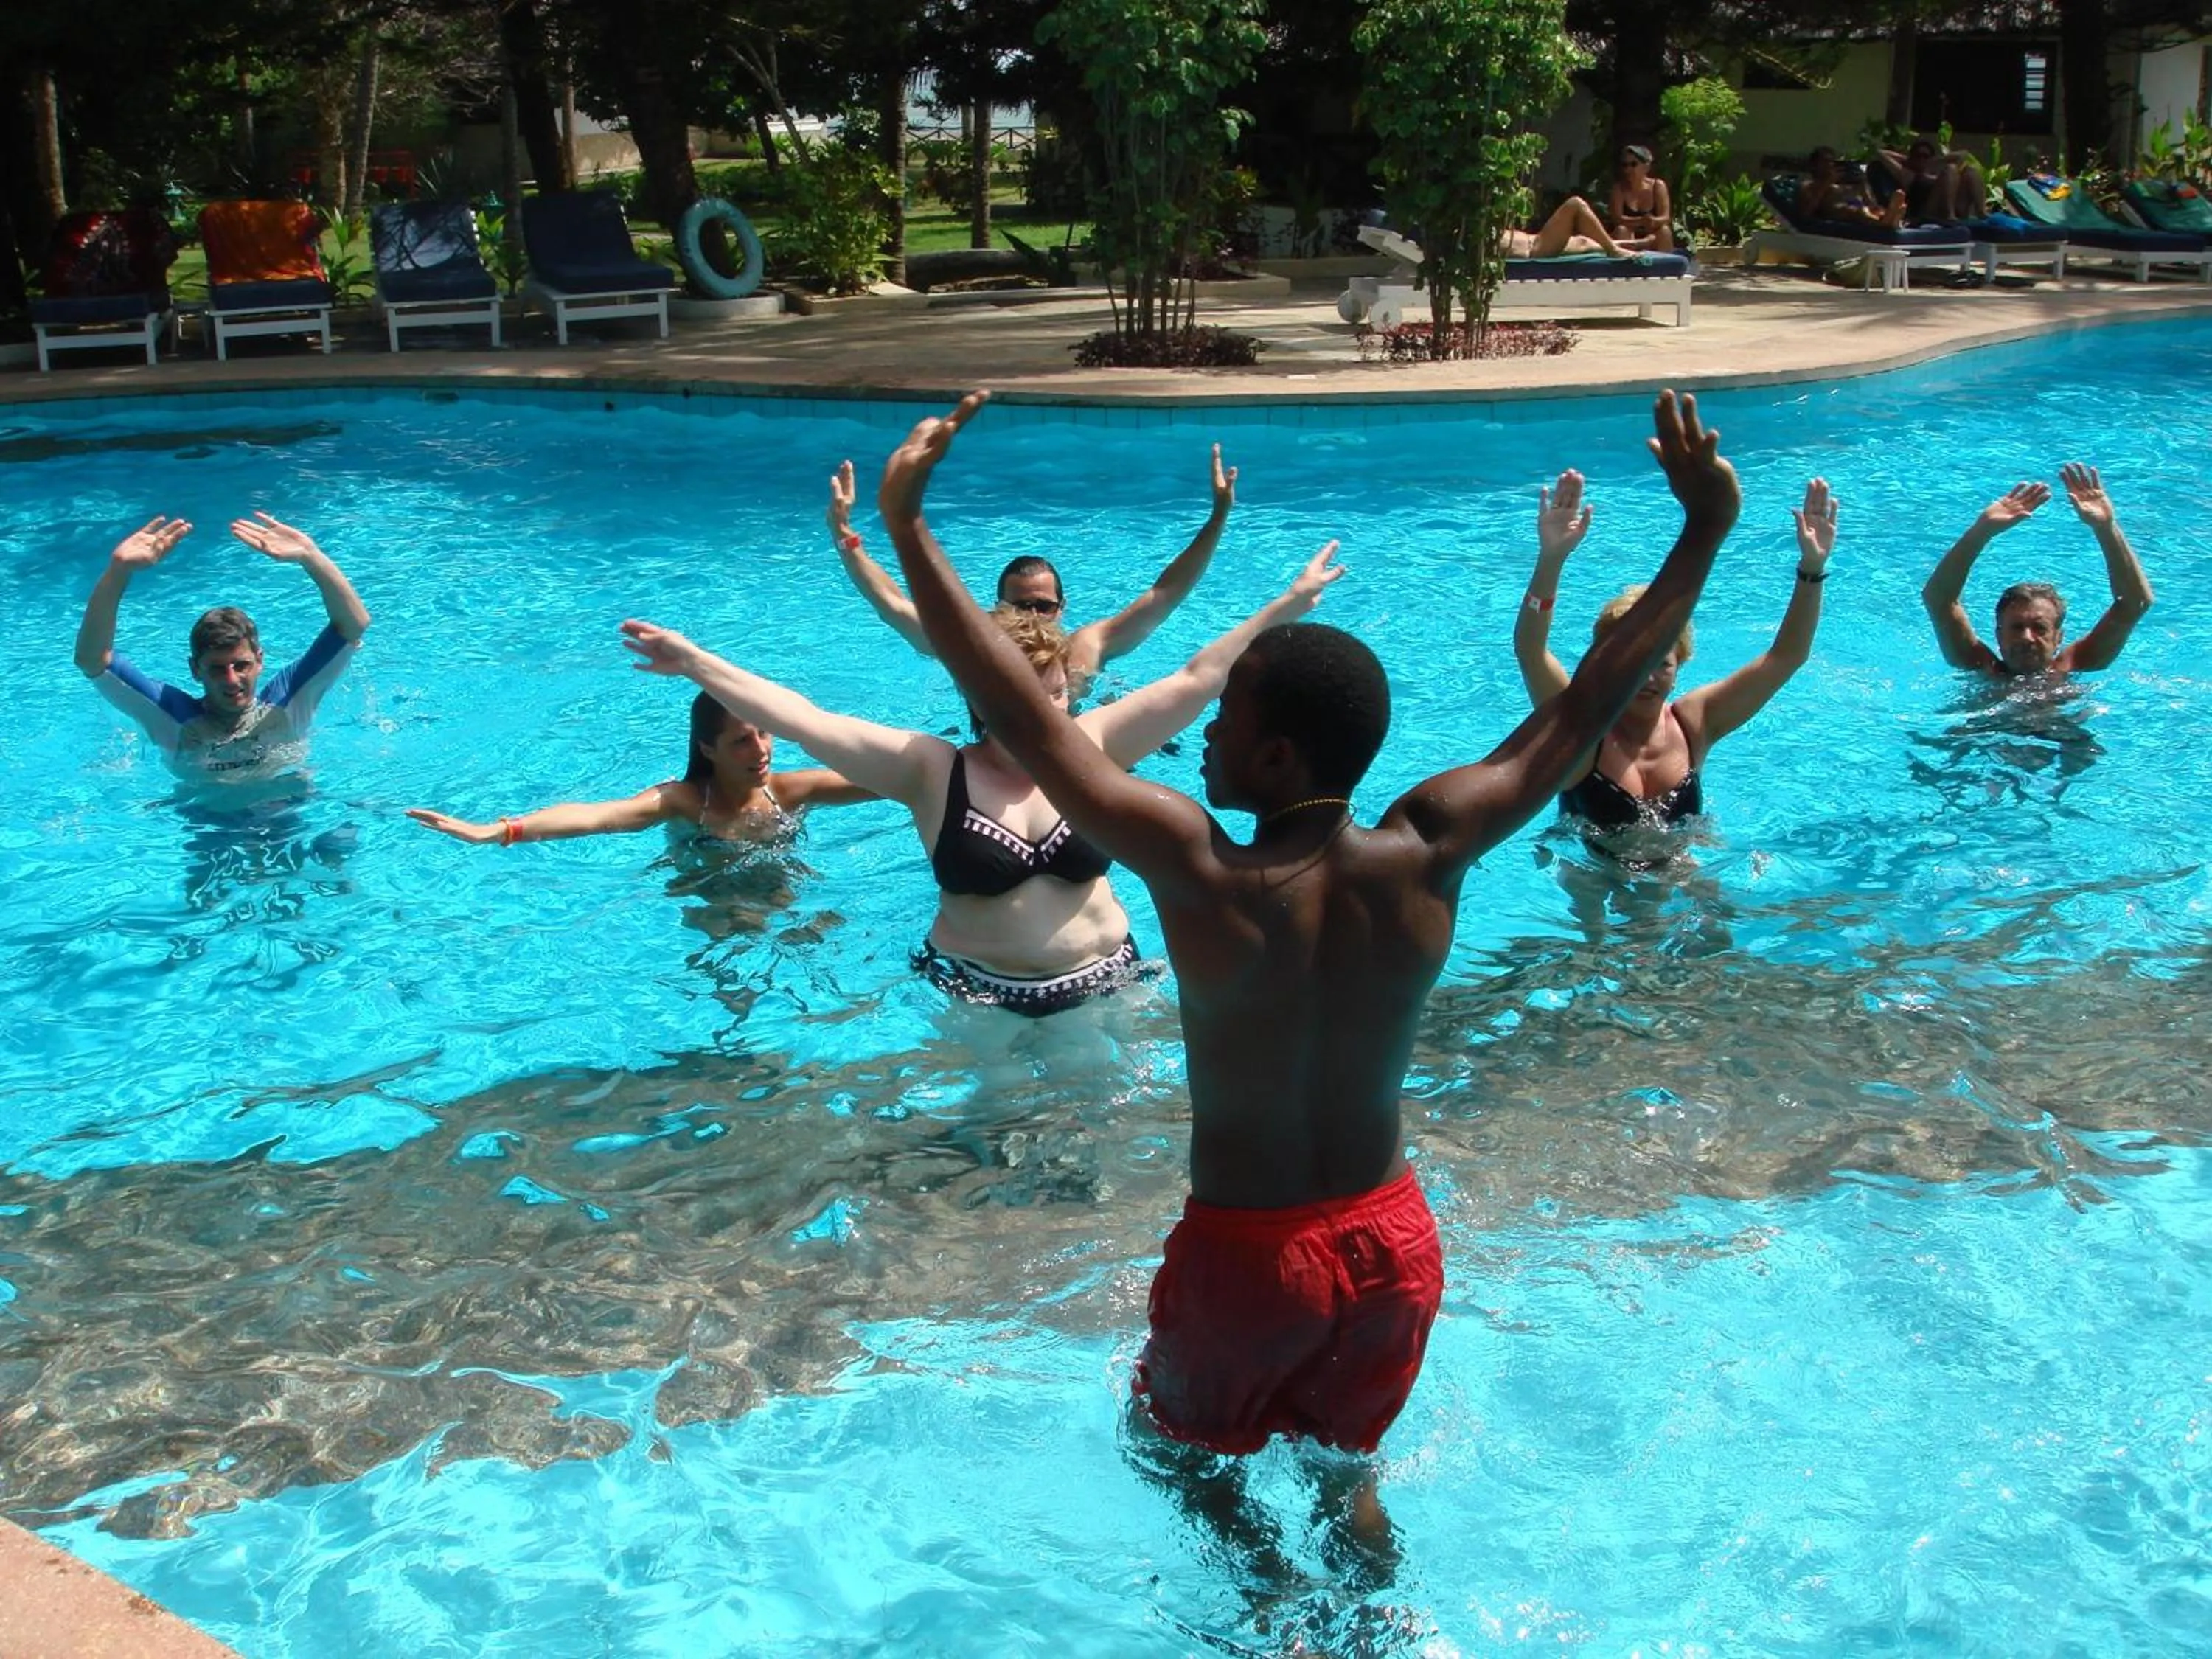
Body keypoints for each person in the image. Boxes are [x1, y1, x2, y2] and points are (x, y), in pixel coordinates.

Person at [874, 387, 1737, 1565]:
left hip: (1251, 1253)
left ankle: (1276, 1617)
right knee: (1346, 1472)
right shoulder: (1433, 849)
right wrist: (1703, 530)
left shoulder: (1203, 872)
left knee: (1171, 1450)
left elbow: (1032, 726)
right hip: (1396, 1238)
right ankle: (1374, 1622)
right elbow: (1585, 705)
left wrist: (911, 527)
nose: (1207, 734)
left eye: (1226, 715)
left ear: (1274, 750)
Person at [619, 544, 1343, 1018]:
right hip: (977, 997)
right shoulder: (931, 768)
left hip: (1105, 986)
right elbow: (805, 719)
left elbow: (1197, 676)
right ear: (980, 700)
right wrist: (694, 661)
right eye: (1021, 699)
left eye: (1055, 694)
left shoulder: (1096, 743)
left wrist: (1289, 603)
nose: (1045, 713)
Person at [1517, 470, 1835, 858]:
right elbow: (1531, 650)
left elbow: (1787, 656)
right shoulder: (1582, 729)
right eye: (1634, 663)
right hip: (1594, 881)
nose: (1647, 677)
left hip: (1680, 871)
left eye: (1661, 664)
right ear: (1606, 662)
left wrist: (1812, 569)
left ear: (1681, 663)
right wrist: (1551, 560)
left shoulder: (1694, 722)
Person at [827, 442, 1238, 699]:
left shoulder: (1087, 648)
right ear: (998, 607)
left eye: (1044, 606)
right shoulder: (971, 648)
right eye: (1021, 606)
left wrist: (1217, 520)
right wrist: (845, 536)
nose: (1033, 616)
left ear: (1061, 607)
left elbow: (1164, 594)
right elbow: (893, 603)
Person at [73, 512, 371, 787]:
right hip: (209, 826)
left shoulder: (288, 700)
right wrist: (118, 571)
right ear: (195, 670)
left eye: (241, 665)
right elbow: (92, 660)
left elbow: (353, 625)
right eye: (217, 669)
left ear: (259, 661)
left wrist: (311, 557)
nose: (231, 680)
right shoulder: (171, 714)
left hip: (288, 815)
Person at [406, 692, 872, 849]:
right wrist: (499, 831)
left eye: (764, 734)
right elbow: (593, 816)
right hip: (709, 895)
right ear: (708, 749)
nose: (761, 750)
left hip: (783, 888)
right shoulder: (682, 802)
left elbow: (889, 781)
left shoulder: (793, 791)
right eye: (741, 741)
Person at [1921, 465, 2154, 678]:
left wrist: (2106, 528)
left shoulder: (2077, 663)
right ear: (1999, 636)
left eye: (2039, 628)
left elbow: (2136, 603)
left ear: (2058, 639)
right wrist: (1981, 532)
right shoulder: (1979, 665)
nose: (2027, 637)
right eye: (2017, 627)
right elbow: (1939, 599)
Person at [1876, 135, 1988, 224]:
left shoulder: (1936, 171)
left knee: (1970, 171)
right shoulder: (1907, 174)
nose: (1922, 159)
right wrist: (1906, 159)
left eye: (1926, 156)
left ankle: (1981, 212)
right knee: (1950, 169)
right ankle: (1949, 215)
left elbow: (1963, 155)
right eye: (1918, 156)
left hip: (1953, 206)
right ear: (1912, 157)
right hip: (1928, 213)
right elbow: (1880, 153)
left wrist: (1936, 161)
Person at [1795, 146, 1908, 230]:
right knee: (1856, 211)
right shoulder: (1808, 186)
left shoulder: (1842, 185)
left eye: (1832, 161)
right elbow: (1805, 213)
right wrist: (1827, 183)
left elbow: (1868, 202)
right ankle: (1887, 222)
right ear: (1814, 165)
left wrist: (1862, 184)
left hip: (1859, 208)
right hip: (1840, 213)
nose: (1830, 165)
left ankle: (1890, 218)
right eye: (1825, 161)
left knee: (1872, 209)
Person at [1503, 195, 1637, 259]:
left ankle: (1633, 243)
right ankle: (1613, 250)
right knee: (1575, 204)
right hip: (1535, 250)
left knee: (1582, 242)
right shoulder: (1483, 236)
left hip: (1535, 240)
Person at [1606, 144, 1676, 251]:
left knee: (1664, 231)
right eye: (1625, 165)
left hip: (1652, 236)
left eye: (1633, 164)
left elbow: (1665, 218)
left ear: (1646, 167)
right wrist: (1641, 221)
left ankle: (1665, 265)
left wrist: (1652, 221)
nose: (1628, 169)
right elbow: (1617, 219)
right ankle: (1624, 265)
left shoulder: (1657, 186)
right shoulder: (1619, 189)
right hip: (1629, 236)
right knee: (1622, 230)